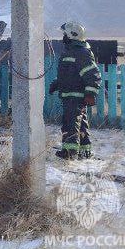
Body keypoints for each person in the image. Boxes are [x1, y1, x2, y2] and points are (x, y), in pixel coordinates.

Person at [49, 21, 101, 160]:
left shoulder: (81, 53)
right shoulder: (71, 51)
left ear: (72, 35)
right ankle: (85, 151)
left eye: (64, 34)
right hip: (70, 95)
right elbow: (68, 74)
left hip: (75, 96)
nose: (63, 37)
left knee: (70, 124)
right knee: (81, 124)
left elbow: (92, 74)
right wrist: (57, 83)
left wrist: (91, 93)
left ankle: (69, 153)